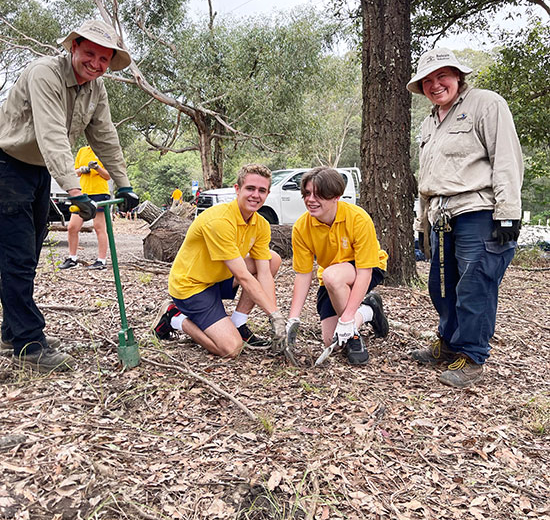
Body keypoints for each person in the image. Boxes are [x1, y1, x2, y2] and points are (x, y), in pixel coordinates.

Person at [0, 20, 139, 373]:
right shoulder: (44, 73)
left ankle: (11, 329)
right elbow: (52, 136)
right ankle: (29, 344)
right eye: (89, 53)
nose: (96, 63)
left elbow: (104, 136)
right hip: (6, 164)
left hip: (37, 170)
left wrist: (124, 185)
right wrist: (75, 192)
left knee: (29, 251)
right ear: (73, 46)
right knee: (15, 254)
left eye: (104, 59)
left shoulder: (95, 89)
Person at [407, 47, 524, 388]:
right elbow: (427, 178)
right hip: (441, 214)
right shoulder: (431, 121)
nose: (435, 84)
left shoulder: (486, 105)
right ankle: (448, 343)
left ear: (458, 75)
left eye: (441, 76)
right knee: (441, 286)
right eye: (427, 80)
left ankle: (472, 357)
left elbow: (506, 158)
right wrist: (421, 224)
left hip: (478, 210)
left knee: (475, 285)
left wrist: (507, 214)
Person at [152, 163, 287, 359]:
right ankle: (174, 318)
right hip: (192, 286)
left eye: (262, 190)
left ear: (267, 194)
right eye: (250, 188)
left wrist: (277, 318)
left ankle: (238, 323)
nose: (255, 195)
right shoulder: (220, 221)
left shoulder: (261, 224)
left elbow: (264, 273)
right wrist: (274, 315)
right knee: (231, 348)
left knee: (271, 259)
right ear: (237, 189)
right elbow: (243, 276)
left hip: (218, 277)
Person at [286, 167, 389, 365]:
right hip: (332, 275)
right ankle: (369, 309)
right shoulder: (301, 227)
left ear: (336, 196)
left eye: (319, 194)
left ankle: (354, 334)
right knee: (331, 341)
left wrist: (346, 318)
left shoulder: (358, 218)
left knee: (333, 277)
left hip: (367, 267)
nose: (311, 199)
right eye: (307, 193)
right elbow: (303, 274)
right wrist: (293, 319)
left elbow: (365, 271)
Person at [60, 146, 111, 270]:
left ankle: (101, 261)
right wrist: (82, 170)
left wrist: (97, 167)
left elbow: (108, 176)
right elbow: (74, 172)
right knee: (72, 227)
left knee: (99, 227)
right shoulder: (82, 151)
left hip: (99, 192)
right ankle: (72, 259)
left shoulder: (105, 149)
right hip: (83, 193)